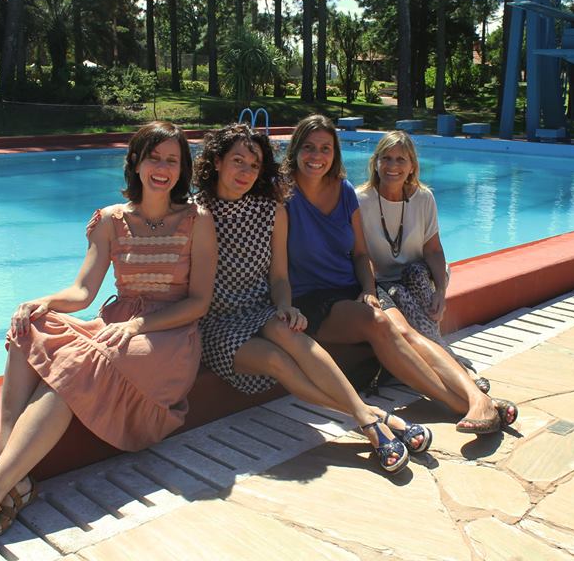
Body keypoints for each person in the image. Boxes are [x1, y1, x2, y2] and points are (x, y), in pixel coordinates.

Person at [0, 121, 216, 538]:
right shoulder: (110, 220)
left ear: (182, 169)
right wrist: (42, 303)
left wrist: (139, 324)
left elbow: (198, 303)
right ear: (136, 163)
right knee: (27, 327)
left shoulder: (197, 220)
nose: (162, 168)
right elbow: (83, 291)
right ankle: (11, 481)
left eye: (172, 160)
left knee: (81, 358)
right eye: (153, 158)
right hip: (117, 325)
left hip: (169, 336)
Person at [193, 123, 427, 474]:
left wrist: (285, 305)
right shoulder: (196, 212)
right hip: (218, 321)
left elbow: (279, 275)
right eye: (237, 161)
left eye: (254, 165)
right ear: (216, 162)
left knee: (293, 336)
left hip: (261, 309)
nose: (245, 172)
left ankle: (368, 421)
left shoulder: (269, 208)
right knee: (278, 361)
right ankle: (372, 419)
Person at [282, 114, 517, 436]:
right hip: (312, 298)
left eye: (325, 148)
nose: (316, 156)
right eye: (308, 147)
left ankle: (477, 397)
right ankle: (463, 405)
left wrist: (367, 288)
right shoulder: (282, 196)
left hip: (354, 287)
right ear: (295, 150)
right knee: (380, 324)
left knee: (408, 332)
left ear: (335, 152)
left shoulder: (344, 191)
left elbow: (361, 254)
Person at [355, 130, 489, 392]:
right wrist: (369, 290)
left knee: (415, 273)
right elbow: (360, 254)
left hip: (418, 276)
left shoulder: (424, 198)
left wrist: (440, 290)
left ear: (412, 165)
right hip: (381, 282)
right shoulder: (361, 200)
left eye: (401, 159)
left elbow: (434, 251)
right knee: (399, 294)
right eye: (387, 158)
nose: (393, 166)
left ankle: (444, 360)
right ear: (376, 162)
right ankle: (454, 364)